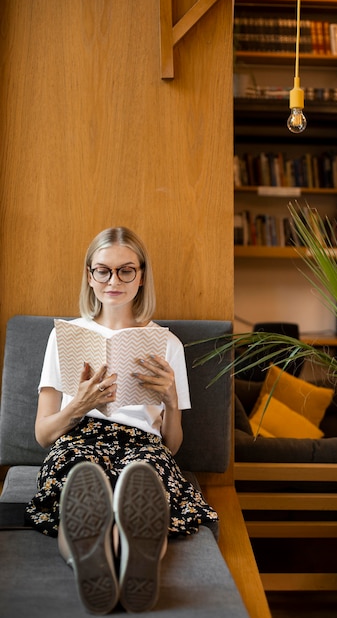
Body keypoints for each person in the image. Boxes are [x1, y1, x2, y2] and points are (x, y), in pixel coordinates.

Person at [25, 226, 218, 614]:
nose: (114, 281)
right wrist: (78, 406)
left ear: (142, 275)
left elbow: (172, 446)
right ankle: (92, 554)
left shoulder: (167, 344)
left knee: (146, 479)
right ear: (89, 276)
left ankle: (136, 558)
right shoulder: (64, 337)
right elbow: (44, 435)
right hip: (78, 438)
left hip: (143, 444)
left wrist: (171, 401)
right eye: (104, 270)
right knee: (79, 482)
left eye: (126, 270)